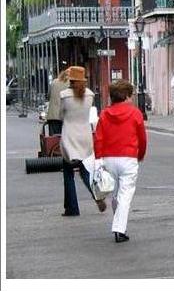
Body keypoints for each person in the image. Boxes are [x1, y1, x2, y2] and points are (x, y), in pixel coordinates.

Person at [94, 79, 147, 243]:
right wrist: (141, 154)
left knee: (116, 194)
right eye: (130, 95)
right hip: (128, 157)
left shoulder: (104, 114)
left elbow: (98, 138)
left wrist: (98, 158)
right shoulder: (135, 113)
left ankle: (119, 223)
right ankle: (119, 229)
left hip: (109, 158)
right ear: (126, 96)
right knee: (126, 194)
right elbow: (142, 138)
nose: (131, 99)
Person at [59, 66, 106, 217]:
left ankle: (72, 207)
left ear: (71, 80)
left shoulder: (64, 95)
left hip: (70, 136)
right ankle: (97, 196)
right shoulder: (90, 95)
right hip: (85, 136)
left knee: (68, 172)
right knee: (85, 171)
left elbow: (61, 115)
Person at [46, 68, 70, 135]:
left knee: (54, 138)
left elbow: (48, 96)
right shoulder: (71, 84)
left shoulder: (54, 82)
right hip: (66, 115)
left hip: (53, 115)